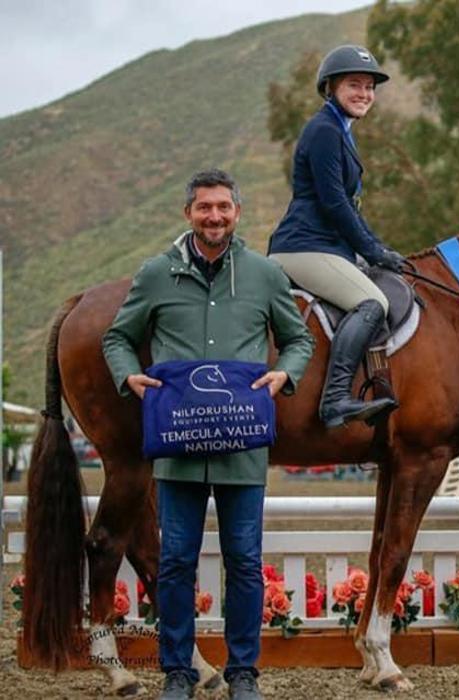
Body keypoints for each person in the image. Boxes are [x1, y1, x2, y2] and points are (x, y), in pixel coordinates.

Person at [103, 169, 315, 700]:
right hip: (177, 450)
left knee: (245, 561)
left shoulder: (264, 274)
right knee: (175, 560)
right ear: (188, 214)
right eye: (204, 207)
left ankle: (243, 671)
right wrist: (128, 376)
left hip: (243, 446)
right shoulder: (156, 273)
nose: (214, 216)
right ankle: (178, 670)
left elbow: (297, 341)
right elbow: (117, 338)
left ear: (236, 212)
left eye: (223, 206)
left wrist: (285, 372)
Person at [268, 44, 405, 427]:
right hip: (304, 246)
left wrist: (376, 247)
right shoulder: (325, 130)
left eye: (369, 87)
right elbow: (334, 205)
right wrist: (373, 250)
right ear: (331, 87)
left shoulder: (340, 129)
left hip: (327, 245)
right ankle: (335, 400)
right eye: (354, 85)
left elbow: (348, 207)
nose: (364, 93)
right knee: (372, 303)